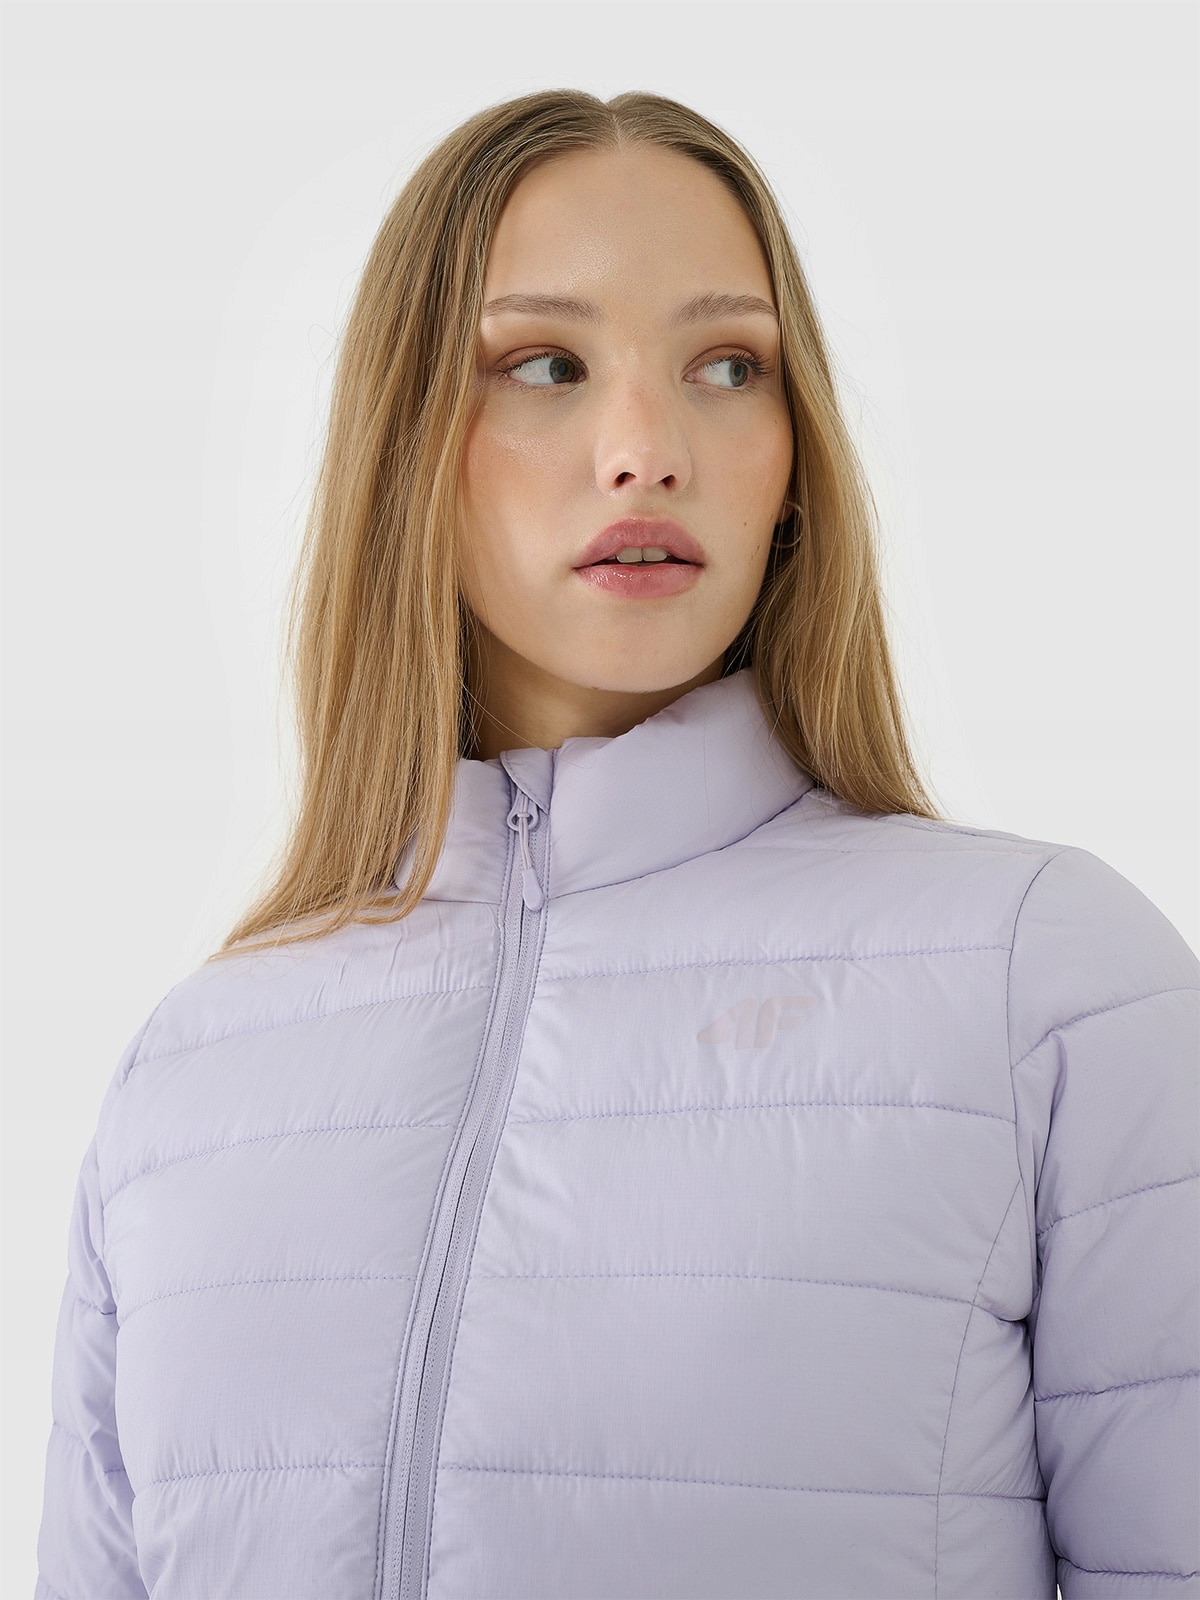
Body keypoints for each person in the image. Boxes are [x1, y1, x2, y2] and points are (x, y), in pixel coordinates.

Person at [34, 88, 1198, 1600]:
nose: (647, 450)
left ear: (797, 459)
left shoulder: (1042, 982)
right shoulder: (194, 1072)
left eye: (729, 367)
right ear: (407, 441)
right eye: (545, 364)